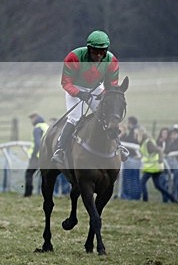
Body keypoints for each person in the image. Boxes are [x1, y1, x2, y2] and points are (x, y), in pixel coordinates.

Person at [51, 29, 127, 167]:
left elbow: (111, 86)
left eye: (102, 51)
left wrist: (105, 97)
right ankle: (60, 150)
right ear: (88, 48)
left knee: (106, 115)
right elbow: (65, 83)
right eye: (95, 51)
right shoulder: (74, 57)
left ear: (106, 50)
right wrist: (79, 93)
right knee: (75, 117)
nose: (98, 55)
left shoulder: (111, 61)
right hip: (74, 87)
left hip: (96, 87)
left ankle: (119, 146)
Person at [139, 128, 178, 203]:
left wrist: (161, 161)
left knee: (142, 182)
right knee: (158, 185)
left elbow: (159, 150)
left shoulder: (148, 143)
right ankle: (172, 198)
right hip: (153, 167)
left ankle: (145, 199)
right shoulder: (146, 142)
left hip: (152, 167)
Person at [23, 113, 49, 197]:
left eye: (31, 119)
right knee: (45, 176)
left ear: (35, 118)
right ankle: (46, 194)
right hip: (47, 155)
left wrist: (34, 154)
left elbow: (37, 143)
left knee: (29, 174)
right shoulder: (46, 126)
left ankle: (28, 193)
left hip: (37, 156)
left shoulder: (38, 128)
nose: (31, 121)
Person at [120, 116, 142, 200]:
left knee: (128, 178)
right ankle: (135, 196)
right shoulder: (138, 131)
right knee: (135, 178)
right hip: (136, 159)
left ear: (131, 123)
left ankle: (128, 195)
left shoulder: (133, 132)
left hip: (132, 158)